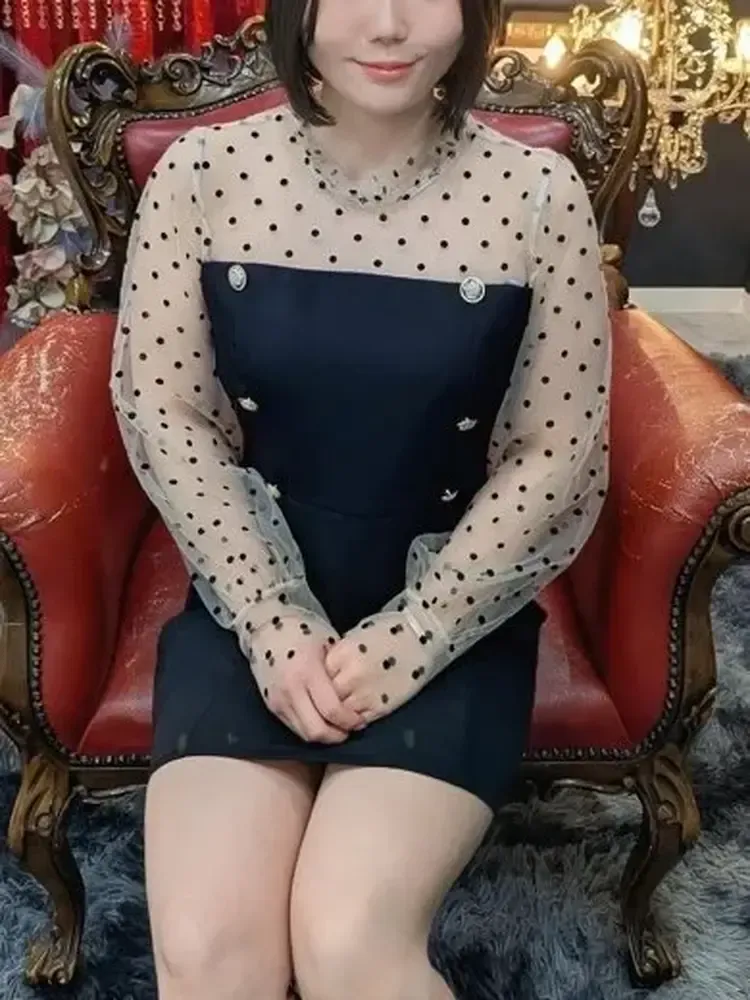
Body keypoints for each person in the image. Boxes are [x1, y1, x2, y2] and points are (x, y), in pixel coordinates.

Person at [109, 0, 611, 997]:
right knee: (210, 955)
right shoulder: (203, 176)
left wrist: (417, 633)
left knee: (345, 942)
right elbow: (168, 415)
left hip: (454, 608)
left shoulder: (537, 194)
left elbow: (554, 451)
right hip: (250, 593)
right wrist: (269, 620)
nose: (388, 24)